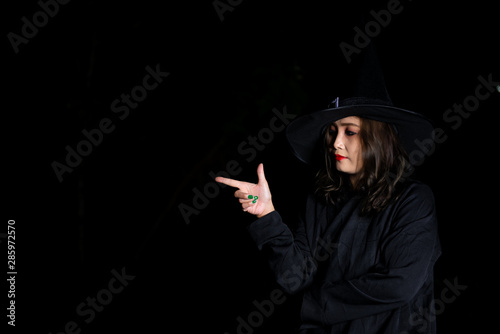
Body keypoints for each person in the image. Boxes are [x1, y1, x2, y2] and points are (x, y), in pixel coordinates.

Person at [216, 45, 441, 333]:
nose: (335, 142)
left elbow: (400, 285)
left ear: (379, 137)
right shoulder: (320, 200)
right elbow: (295, 277)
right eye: (332, 131)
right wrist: (267, 216)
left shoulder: (413, 200)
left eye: (350, 131)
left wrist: (313, 304)